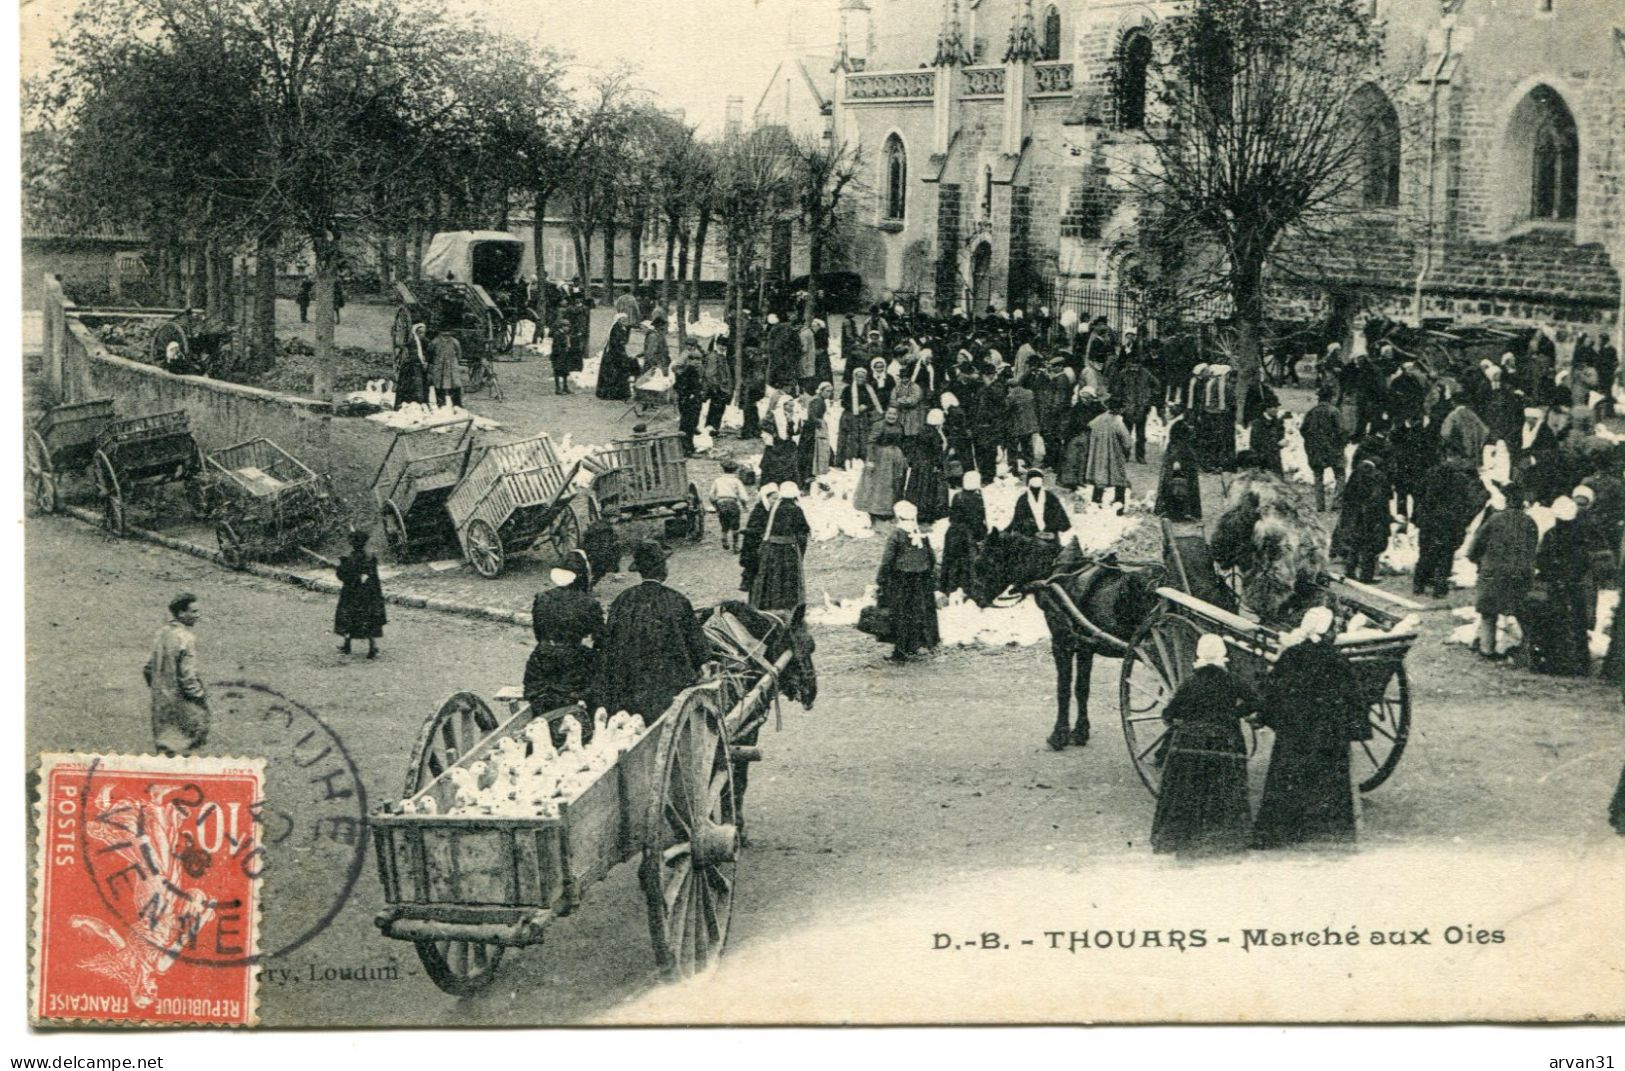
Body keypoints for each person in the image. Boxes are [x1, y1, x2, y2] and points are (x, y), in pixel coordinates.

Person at [1251, 606, 1368, 850]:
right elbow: (1353, 698)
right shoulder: (1337, 660)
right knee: (1328, 776)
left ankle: (1283, 831)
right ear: (1327, 631)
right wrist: (1353, 729)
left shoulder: (1290, 656)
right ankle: (1326, 829)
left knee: (1288, 774)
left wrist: (1269, 718)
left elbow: (1273, 692)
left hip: (1294, 733)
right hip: (1328, 735)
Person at [1150, 634, 1260, 857]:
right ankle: (1223, 838)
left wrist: (1185, 721)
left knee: (1191, 790)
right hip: (1225, 742)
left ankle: (1187, 836)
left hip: (1191, 745)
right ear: (1222, 655)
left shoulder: (1190, 683)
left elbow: (1169, 714)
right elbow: (1256, 702)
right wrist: (1234, 714)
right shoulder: (1231, 681)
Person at [594, 540, 710, 721]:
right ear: (663, 568)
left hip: (626, 687)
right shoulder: (677, 600)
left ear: (640, 571)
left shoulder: (623, 599)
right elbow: (696, 644)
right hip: (666, 688)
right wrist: (703, 665)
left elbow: (608, 642)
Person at [524, 551, 605, 747]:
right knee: (598, 679)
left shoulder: (542, 598)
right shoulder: (589, 603)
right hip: (573, 660)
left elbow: (539, 633)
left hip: (541, 659)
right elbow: (600, 640)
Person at [1466, 483, 1539, 660]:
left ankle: (1487, 648)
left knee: (1488, 613)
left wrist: (1477, 560)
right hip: (1520, 573)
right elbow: (1533, 547)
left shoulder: (1495, 519)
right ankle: (1528, 649)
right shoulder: (1530, 522)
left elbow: (1475, 545)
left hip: (1494, 571)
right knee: (1520, 611)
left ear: (1506, 500)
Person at [1529, 495, 1592, 677]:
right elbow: (1585, 561)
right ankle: (1580, 663)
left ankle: (1553, 662)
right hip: (1575, 585)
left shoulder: (1551, 534)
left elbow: (1541, 559)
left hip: (1556, 585)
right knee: (1578, 624)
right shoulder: (1581, 536)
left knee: (1553, 622)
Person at [1411, 453, 1488, 599]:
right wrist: (1465, 519)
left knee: (1426, 552)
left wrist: (1419, 516)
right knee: (1445, 556)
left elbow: (1417, 494)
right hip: (1449, 523)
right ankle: (1439, 588)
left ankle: (1418, 585)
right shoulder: (1461, 480)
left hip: (1429, 522)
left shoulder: (1430, 474)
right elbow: (1476, 501)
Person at [875, 500, 940, 661]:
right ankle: (917, 644)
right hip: (921, 580)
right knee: (919, 612)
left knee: (901, 614)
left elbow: (888, 559)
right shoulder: (921, 534)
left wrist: (881, 578)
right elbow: (931, 557)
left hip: (901, 580)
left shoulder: (897, 535)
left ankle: (901, 650)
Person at [144, 593, 208, 756]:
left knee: (165, 746)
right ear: (180, 613)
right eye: (193, 612)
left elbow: (148, 668)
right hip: (182, 701)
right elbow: (187, 676)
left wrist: (159, 687)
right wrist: (199, 696)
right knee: (185, 747)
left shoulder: (161, 633)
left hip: (161, 700)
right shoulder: (186, 637)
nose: (197, 615)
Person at [750, 481, 810, 612]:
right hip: (788, 548)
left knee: (772, 575)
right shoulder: (796, 509)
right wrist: (801, 551)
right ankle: (788, 604)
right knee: (788, 576)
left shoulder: (774, 508)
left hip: (771, 548)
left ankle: (770, 602)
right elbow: (803, 531)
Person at [1333, 457, 1391, 583]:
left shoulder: (1356, 473)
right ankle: (1366, 576)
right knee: (1370, 546)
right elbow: (1381, 499)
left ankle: (1350, 570)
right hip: (1372, 517)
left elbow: (1347, 496)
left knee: (1355, 543)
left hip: (1355, 516)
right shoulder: (1379, 477)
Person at [334, 530, 386, 658]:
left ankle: (347, 645)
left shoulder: (349, 559)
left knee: (348, 618)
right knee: (368, 619)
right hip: (368, 594)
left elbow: (344, 576)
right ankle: (372, 647)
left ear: (353, 543)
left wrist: (339, 568)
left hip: (351, 594)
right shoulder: (370, 557)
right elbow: (374, 578)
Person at [853, 407, 909, 521]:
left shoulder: (899, 426)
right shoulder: (878, 425)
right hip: (881, 457)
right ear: (885, 413)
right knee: (881, 483)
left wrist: (903, 456)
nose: (892, 416)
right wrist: (871, 460)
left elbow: (902, 441)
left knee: (894, 482)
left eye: (894, 414)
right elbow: (870, 443)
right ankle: (877, 510)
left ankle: (890, 508)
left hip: (895, 456)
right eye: (889, 413)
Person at [902, 408, 952, 526]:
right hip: (929, 466)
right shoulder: (935, 434)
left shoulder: (923, 430)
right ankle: (927, 515)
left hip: (919, 465)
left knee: (917, 489)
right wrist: (939, 466)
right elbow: (937, 452)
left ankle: (916, 511)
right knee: (928, 490)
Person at [940, 470, 987, 595]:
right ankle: (969, 588)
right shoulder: (977, 498)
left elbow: (951, 517)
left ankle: (949, 586)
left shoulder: (957, 496)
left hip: (953, 533)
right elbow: (978, 519)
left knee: (952, 562)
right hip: (968, 535)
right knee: (969, 562)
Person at [1301, 383, 1346, 512]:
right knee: (1340, 474)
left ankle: (1320, 505)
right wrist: (1340, 446)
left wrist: (1311, 444)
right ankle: (1337, 504)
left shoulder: (1312, 412)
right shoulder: (1334, 411)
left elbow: (1303, 430)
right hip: (1333, 449)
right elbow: (1342, 431)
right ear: (1331, 397)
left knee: (1318, 476)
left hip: (1316, 450)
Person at [1154, 410, 1203, 522]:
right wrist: (1177, 460)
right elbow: (1177, 443)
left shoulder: (1182, 426)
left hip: (1182, 458)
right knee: (1179, 485)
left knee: (1180, 485)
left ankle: (1178, 510)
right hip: (1180, 458)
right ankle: (1179, 512)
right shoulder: (1180, 426)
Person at [1083, 399, 1134, 507]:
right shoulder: (1118, 422)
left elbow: (1089, 426)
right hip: (1114, 454)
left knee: (1099, 478)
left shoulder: (1099, 418)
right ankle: (1119, 503)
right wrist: (1126, 452)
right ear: (1119, 409)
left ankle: (1096, 502)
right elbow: (1127, 442)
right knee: (1119, 478)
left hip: (1098, 454)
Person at [837, 366, 884, 468]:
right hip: (850, 416)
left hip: (864, 416)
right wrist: (854, 407)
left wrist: (865, 406)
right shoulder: (848, 389)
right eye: (858, 377)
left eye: (862, 377)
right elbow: (843, 402)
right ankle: (846, 460)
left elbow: (873, 402)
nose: (860, 379)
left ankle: (862, 458)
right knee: (850, 437)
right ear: (855, 377)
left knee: (863, 437)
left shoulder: (868, 389)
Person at [1008, 470, 1071, 539]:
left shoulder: (1050, 498)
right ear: (1029, 484)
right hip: (1030, 537)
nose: (1036, 490)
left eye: (1038, 484)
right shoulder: (1023, 499)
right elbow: (1018, 520)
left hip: (1049, 536)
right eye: (1033, 484)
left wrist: (1047, 530)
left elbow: (1059, 518)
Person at [738, 482, 776, 593]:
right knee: (752, 562)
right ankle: (747, 582)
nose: (775, 501)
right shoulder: (759, 510)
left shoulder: (771, 510)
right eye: (773, 499)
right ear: (766, 498)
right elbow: (754, 527)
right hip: (754, 541)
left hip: (762, 539)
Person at [798, 381, 834, 483]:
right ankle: (808, 475)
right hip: (811, 431)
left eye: (830, 392)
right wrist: (820, 423)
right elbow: (812, 416)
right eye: (827, 391)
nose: (829, 394)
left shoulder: (819, 399)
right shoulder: (817, 400)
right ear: (821, 391)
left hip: (812, 429)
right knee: (811, 452)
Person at [710, 460, 747, 552]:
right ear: (735, 470)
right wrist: (744, 506)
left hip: (721, 503)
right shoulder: (736, 481)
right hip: (732, 503)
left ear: (723, 469)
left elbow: (711, 495)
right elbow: (743, 497)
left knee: (724, 523)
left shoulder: (717, 480)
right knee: (735, 525)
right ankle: (736, 545)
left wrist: (715, 505)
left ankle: (724, 537)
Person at [597, 312, 634, 401]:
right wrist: (621, 352)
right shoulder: (616, 328)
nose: (625, 321)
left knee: (618, 373)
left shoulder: (622, 328)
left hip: (617, 352)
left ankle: (619, 393)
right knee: (613, 373)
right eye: (623, 320)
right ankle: (611, 393)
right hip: (613, 354)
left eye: (625, 319)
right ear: (619, 320)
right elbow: (615, 342)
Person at [1248, 390, 1285, 476]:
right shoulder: (1258, 423)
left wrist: (1282, 442)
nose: (1275, 409)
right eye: (1272, 407)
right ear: (1266, 408)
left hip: (1275, 460)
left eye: (1276, 407)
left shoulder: (1278, 422)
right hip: (1261, 461)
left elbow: (1280, 436)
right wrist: (1278, 444)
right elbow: (1258, 443)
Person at [395, 323, 430, 409]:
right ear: (416, 332)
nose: (422, 334)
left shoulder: (425, 341)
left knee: (422, 384)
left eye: (424, 332)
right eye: (420, 332)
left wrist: (425, 360)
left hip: (419, 366)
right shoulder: (412, 340)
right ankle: (407, 402)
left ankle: (421, 403)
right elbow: (402, 346)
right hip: (411, 366)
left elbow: (427, 351)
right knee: (411, 384)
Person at [429, 330, 465, 409]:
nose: (446, 335)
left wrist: (454, 362)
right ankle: (441, 405)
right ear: (440, 333)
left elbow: (459, 354)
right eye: (444, 333)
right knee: (439, 385)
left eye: (448, 333)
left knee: (455, 385)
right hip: (439, 367)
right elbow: (430, 354)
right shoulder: (435, 342)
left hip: (452, 367)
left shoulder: (455, 342)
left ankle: (457, 405)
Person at [642, 311, 670, 375]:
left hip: (658, 363)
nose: (664, 329)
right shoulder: (655, 336)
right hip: (656, 364)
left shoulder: (657, 335)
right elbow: (651, 352)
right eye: (662, 327)